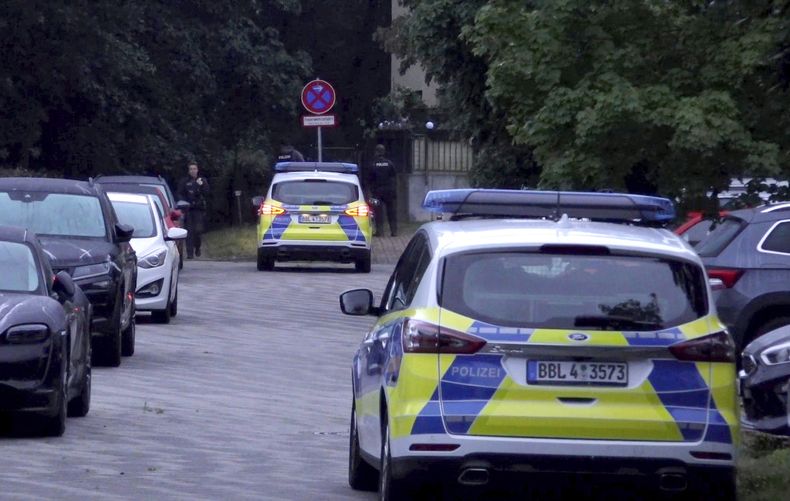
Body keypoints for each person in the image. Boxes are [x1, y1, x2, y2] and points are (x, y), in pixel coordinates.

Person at [177, 162, 210, 258]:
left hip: (199, 210)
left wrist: (202, 186)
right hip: (188, 209)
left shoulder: (202, 180)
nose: (193, 171)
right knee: (189, 231)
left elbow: (207, 193)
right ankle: (190, 254)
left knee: (198, 231)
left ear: (197, 170)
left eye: (194, 169)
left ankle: (197, 247)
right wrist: (183, 203)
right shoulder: (184, 181)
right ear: (188, 170)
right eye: (191, 169)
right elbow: (180, 194)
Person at [366, 144, 398, 237]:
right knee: (391, 211)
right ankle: (394, 231)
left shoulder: (373, 164)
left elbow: (369, 179)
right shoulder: (390, 163)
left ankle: (380, 232)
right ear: (383, 152)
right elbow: (394, 177)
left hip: (377, 192)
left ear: (376, 152)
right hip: (389, 191)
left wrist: (370, 191)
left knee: (378, 211)